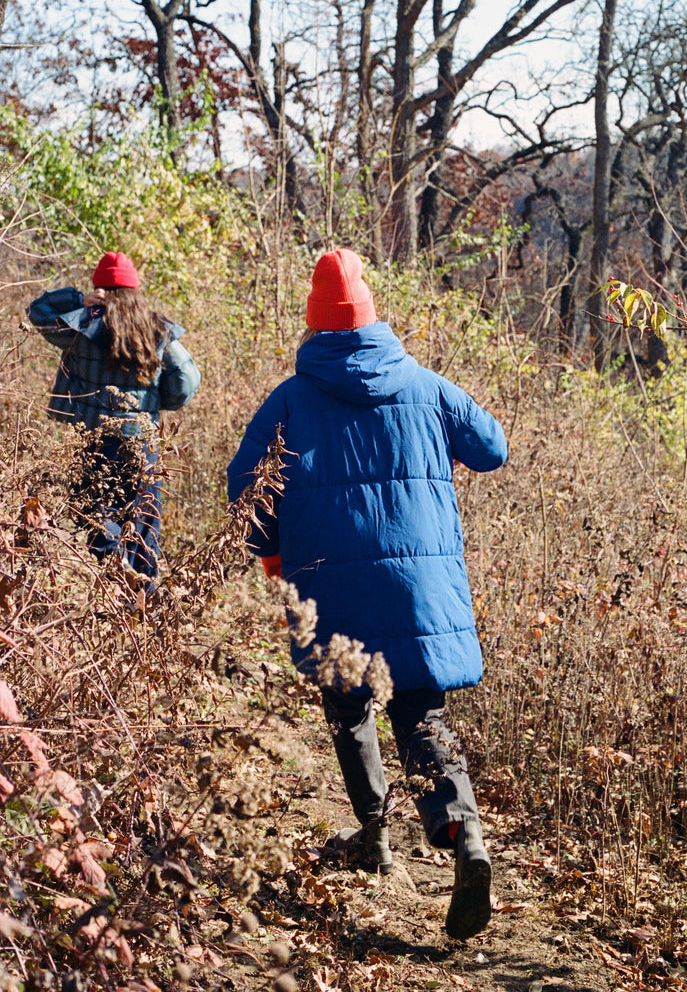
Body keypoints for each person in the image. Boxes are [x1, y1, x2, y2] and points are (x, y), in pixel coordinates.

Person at [227, 248, 507, 940]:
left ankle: (375, 836)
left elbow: (243, 490)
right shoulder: (426, 385)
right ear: (373, 314)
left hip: (329, 587)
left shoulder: (290, 399)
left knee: (350, 709)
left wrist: (270, 555)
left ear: (314, 322)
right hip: (421, 587)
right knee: (421, 715)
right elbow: (493, 447)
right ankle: (461, 832)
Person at [27, 251, 201, 584]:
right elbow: (187, 378)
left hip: (94, 443)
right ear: (135, 290)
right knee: (145, 527)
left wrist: (77, 298)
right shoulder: (156, 328)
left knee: (94, 516)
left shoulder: (81, 323)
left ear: (100, 288)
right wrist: (157, 401)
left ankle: (116, 576)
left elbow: (37, 311)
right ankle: (142, 604)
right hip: (143, 446)